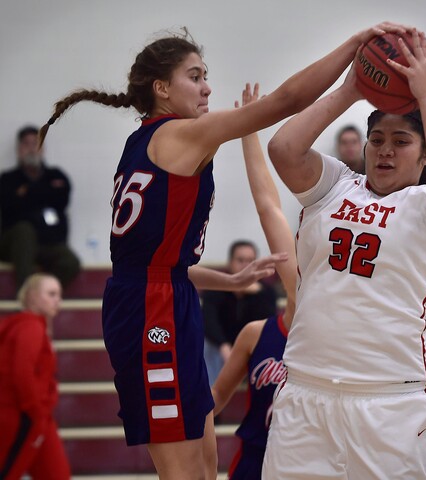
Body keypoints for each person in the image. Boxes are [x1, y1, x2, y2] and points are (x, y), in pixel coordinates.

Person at [37, 23, 405, 480]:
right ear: (162, 89)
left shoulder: (144, 144)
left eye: (205, 74)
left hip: (168, 296)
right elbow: (284, 103)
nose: (207, 86)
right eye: (194, 76)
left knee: (207, 463)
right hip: (151, 311)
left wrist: (225, 280)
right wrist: (353, 54)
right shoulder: (175, 135)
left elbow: (155, 262)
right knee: (183, 472)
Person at [262, 30, 426, 479]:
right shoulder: (334, 185)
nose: (385, 150)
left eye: (401, 141)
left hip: (394, 403)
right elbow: (283, 148)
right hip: (306, 390)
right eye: (377, 139)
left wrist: (425, 93)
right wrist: (352, 89)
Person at [210, 84, 295, 480]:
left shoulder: (338, 336)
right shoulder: (254, 335)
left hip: (312, 462)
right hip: (255, 461)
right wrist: (248, 130)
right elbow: (268, 206)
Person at [0, 274, 70, 480]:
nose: (58, 300)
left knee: (57, 474)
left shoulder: (32, 326)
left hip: (39, 417)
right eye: (51, 294)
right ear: (31, 296)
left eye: (59, 294)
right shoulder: (30, 327)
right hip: (26, 415)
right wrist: (35, 412)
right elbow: (22, 373)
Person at [0, 125, 81, 292]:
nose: (31, 149)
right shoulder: (7, 180)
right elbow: (10, 209)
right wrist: (45, 194)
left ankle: (40, 294)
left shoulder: (57, 175)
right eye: (26, 144)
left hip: (47, 244)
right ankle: (26, 295)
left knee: (70, 261)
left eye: (35, 143)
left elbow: (61, 202)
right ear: (18, 150)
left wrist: (27, 194)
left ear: (42, 149)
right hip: (14, 245)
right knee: (24, 230)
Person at [201, 239, 277, 387]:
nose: (245, 265)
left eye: (250, 261)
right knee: (206, 346)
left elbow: (268, 324)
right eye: (240, 260)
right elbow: (208, 322)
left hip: (251, 348)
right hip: (221, 348)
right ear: (230, 263)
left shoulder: (265, 292)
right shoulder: (215, 288)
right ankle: (210, 402)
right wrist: (223, 345)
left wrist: (256, 294)